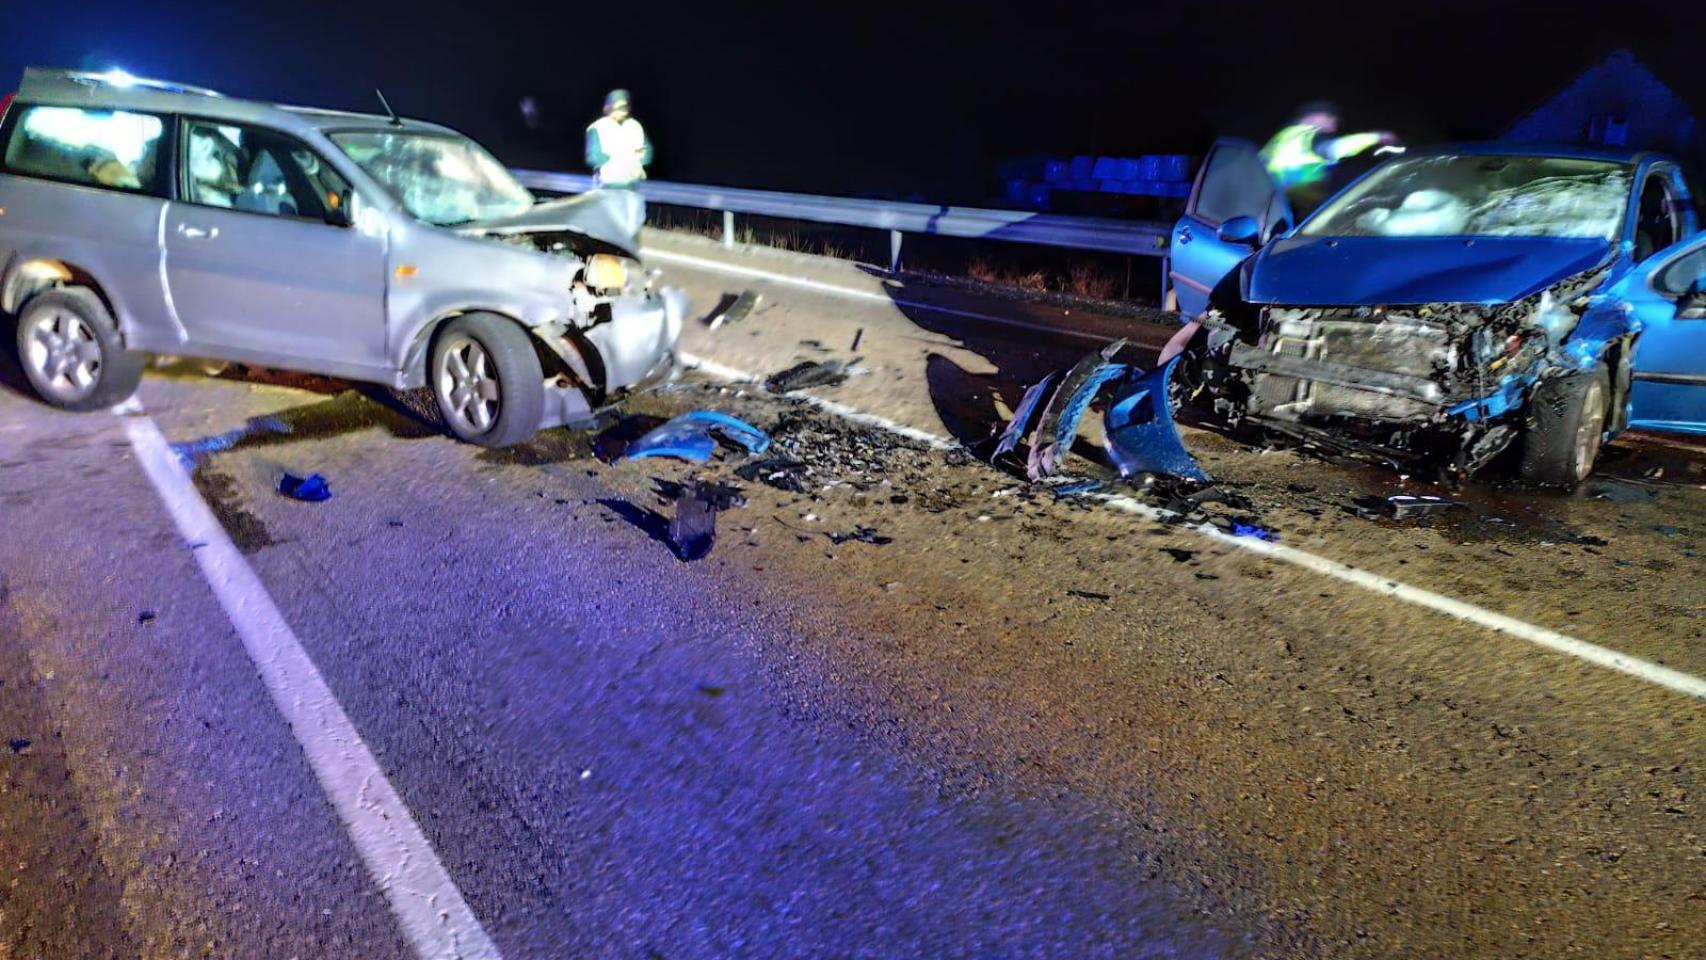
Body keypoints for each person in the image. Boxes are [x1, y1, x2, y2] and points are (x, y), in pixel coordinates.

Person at [1260, 101, 1395, 211]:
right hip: (1304, 197)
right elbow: (1334, 149)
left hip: (1275, 200)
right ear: (1312, 118)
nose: (1334, 121)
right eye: (1329, 117)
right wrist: (1376, 137)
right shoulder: (1307, 134)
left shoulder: (1282, 138)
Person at [585, 89, 651, 188]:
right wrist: (610, 158)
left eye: (623, 107)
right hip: (607, 185)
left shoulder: (635, 126)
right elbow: (593, 157)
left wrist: (637, 158)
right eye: (616, 106)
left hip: (632, 184)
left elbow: (646, 154)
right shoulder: (597, 127)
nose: (621, 111)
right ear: (607, 108)